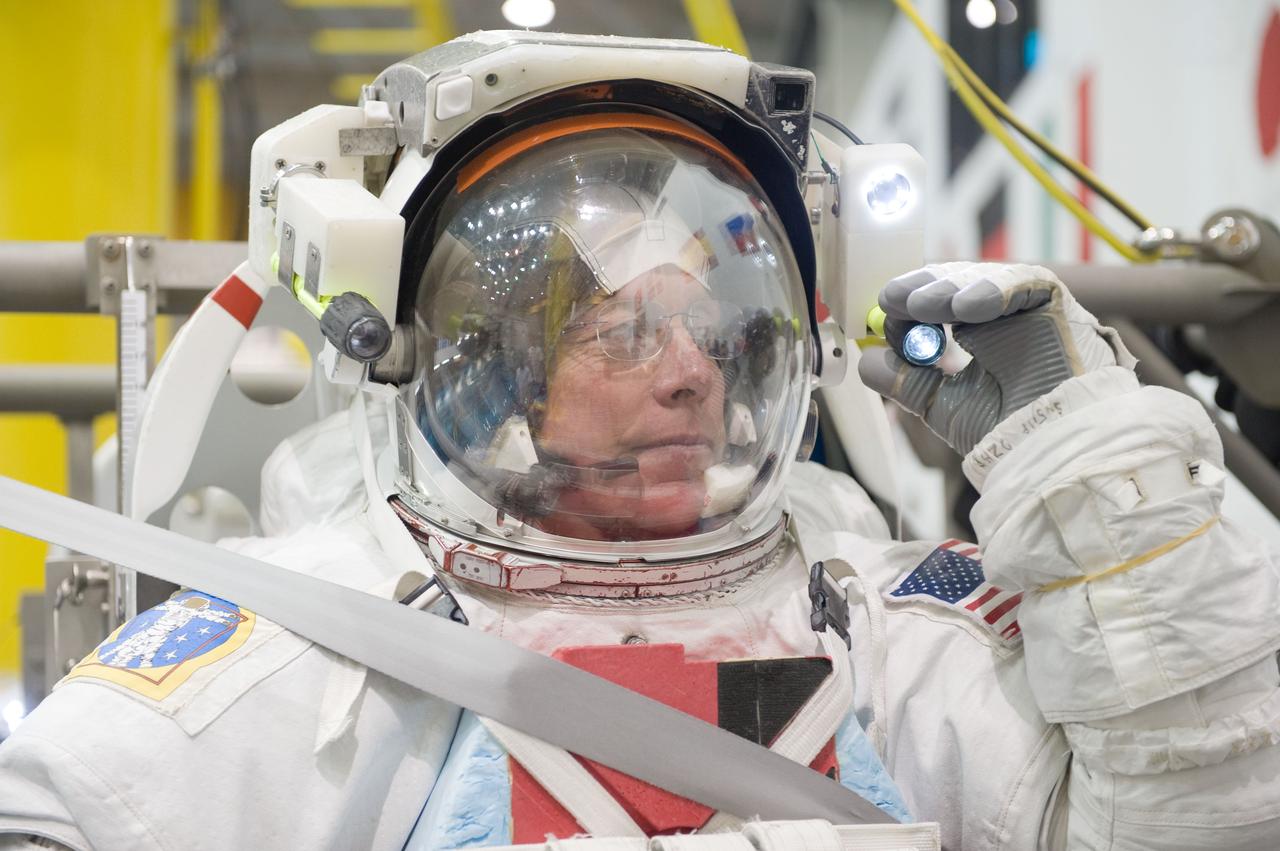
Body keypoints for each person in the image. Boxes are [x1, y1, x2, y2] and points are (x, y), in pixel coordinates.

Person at [2, 45, 1280, 851]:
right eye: (622, 336)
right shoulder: (320, 651)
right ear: (490, 380)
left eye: (712, 334)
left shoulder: (885, 628)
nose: (690, 373)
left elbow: (1207, 810)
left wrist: (1099, 483)